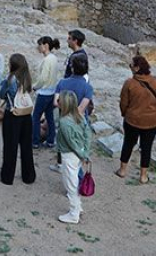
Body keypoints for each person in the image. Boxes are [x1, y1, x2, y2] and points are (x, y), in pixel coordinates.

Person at [116, 55, 156, 185]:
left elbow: (123, 103)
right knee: (146, 147)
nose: (130, 67)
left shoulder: (129, 83)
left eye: (131, 65)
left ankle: (122, 170)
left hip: (133, 121)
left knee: (128, 143)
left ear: (137, 68)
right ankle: (143, 176)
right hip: (153, 121)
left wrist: (125, 114)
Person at [0, 54, 36, 186]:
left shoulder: (10, 79)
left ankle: (7, 177)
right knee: (26, 147)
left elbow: (2, 95)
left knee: (10, 147)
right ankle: (29, 176)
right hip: (26, 115)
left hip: (13, 115)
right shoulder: (27, 78)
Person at [56, 91, 91, 224]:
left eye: (59, 100)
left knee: (70, 184)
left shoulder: (64, 121)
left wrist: (83, 154)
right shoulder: (80, 116)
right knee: (74, 180)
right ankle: (78, 206)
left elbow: (71, 143)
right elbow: (87, 133)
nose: (57, 101)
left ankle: (73, 213)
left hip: (69, 155)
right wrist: (85, 152)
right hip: (78, 155)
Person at [31, 36, 61, 149]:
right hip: (52, 92)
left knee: (36, 117)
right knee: (49, 117)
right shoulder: (54, 58)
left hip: (44, 92)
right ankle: (50, 140)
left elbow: (43, 78)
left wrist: (35, 87)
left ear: (46, 45)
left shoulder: (47, 60)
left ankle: (35, 141)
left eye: (40, 45)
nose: (38, 47)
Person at [55, 54, 95, 121]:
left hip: (63, 120)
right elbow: (81, 109)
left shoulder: (61, 83)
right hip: (79, 122)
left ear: (72, 68)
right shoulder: (88, 88)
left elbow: (55, 103)